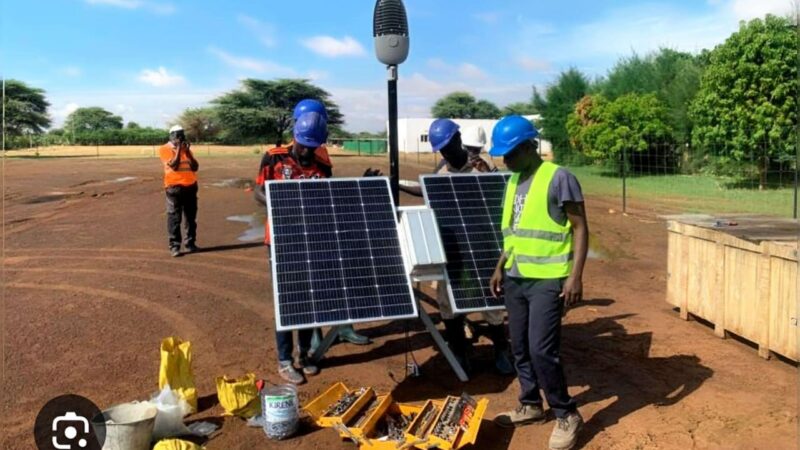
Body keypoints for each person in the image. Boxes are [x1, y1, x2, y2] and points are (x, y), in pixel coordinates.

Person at [488, 115, 587, 450]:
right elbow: (514, 231)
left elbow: (580, 227)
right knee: (518, 346)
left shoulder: (559, 178)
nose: (506, 160)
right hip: (516, 276)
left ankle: (566, 413)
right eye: (503, 154)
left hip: (548, 279)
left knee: (541, 349)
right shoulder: (514, 180)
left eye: (511, 152)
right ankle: (530, 404)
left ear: (530, 145)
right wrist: (501, 264)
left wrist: (575, 276)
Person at [254, 108, 370, 383]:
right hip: (282, 238)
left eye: (313, 146)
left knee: (309, 299)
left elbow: (327, 195)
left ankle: (304, 354)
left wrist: (360, 186)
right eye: (304, 145)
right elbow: (258, 190)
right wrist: (280, 201)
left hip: (313, 237)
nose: (307, 152)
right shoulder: (274, 157)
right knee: (286, 300)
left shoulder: (320, 163)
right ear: (295, 138)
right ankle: (285, 360)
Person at [399, 118, 513, 376]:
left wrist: (488, 175)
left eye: (448, 146)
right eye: (441, 148)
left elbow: (502, 193)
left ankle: (501, 351)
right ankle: (459, 351)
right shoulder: (441, 172)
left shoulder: (482, 165)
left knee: (491, 301)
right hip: (452, 246)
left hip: (483, 242)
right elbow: (425, 189)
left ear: (458, 140)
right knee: (447, 300)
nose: (445, 152)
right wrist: (397, 183)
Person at [159, 125, 199, 257]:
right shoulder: (165, 149)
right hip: (174, 187)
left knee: (191, 218)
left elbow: (195, 167)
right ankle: (175, 246)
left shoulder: (186, 150)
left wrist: (187, 152)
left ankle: (190, 243)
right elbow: (174, 166)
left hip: (191, 186)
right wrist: (177, 150)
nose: (180, 139)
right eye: (177, 136)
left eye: (182, 135)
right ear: (171, 136)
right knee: (174, 218)